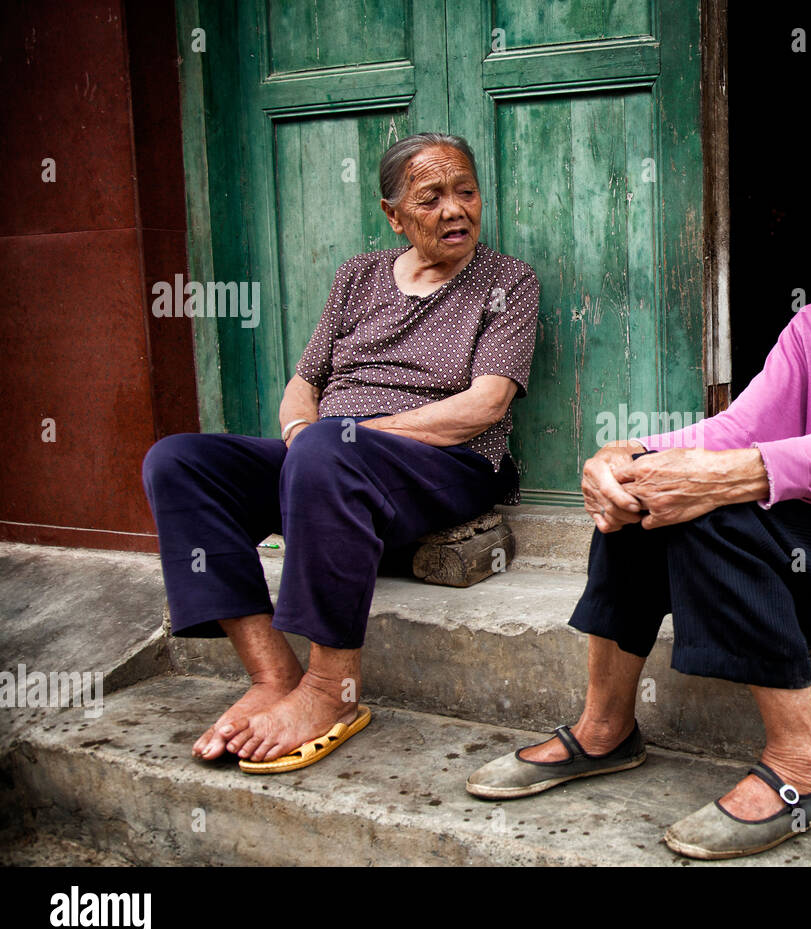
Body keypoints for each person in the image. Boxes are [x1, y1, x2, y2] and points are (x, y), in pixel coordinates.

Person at [467, 118, 811, 860]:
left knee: (715, 512)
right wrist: (628, 456)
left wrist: (725, 480)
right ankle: (605, 729)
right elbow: (737, 428)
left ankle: (806, 766)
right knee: (648, 501)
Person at [143, 133, 539, 773]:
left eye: (465, 191)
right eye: (431, 197)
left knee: (332, 445)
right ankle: (272, 675)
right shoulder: (358, 276)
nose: (455, 210)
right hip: (330, 458)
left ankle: (332, 691)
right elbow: (307, 381)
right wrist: (302, 432)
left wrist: (350, 436)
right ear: (394, 215)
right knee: (178, 461)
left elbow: (484, 407)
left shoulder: (506, 281)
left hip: (444, 465)